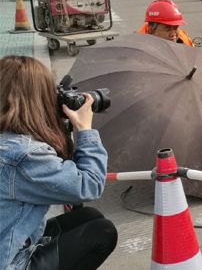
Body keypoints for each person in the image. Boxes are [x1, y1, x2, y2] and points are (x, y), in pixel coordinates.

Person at [0, 56, 117, 270]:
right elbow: (88, 185)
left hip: (10, 239)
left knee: (88, 217)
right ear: (38, 99)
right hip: (8, 261)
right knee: (102, 232)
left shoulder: (8, 139)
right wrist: (85, 130)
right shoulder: (23, 156)